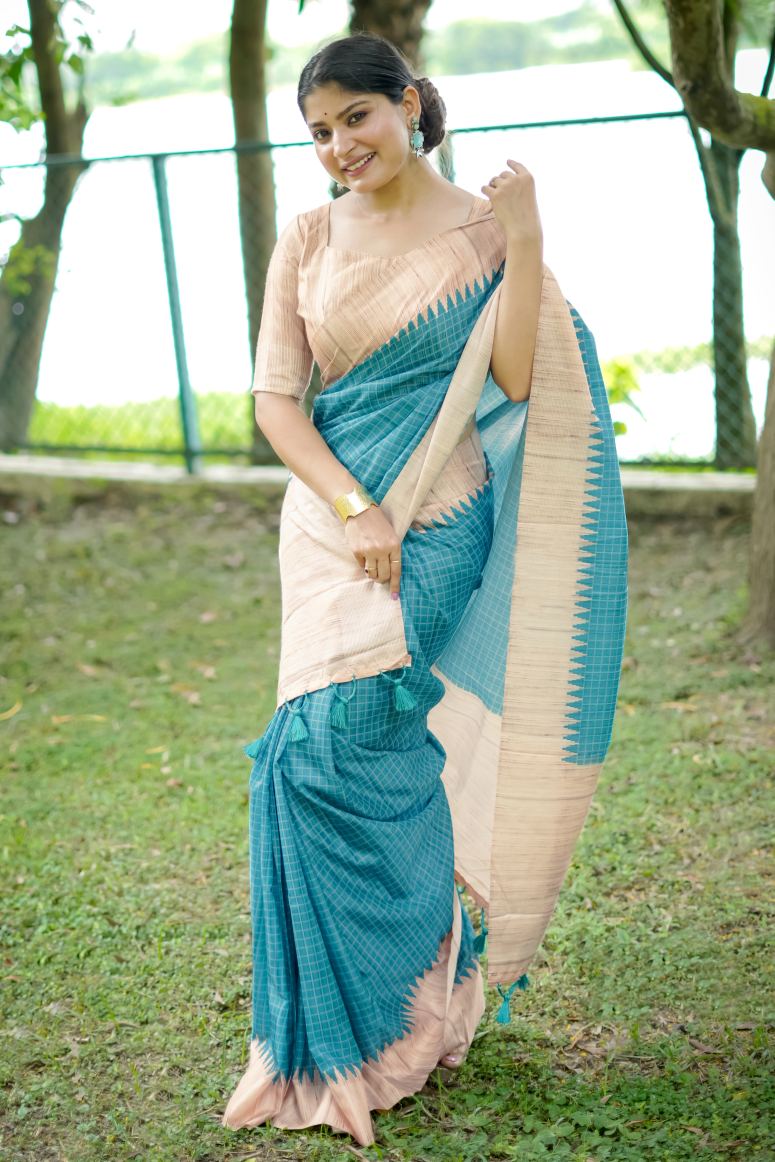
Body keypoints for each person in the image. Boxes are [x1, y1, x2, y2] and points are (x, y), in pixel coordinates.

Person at [222, 32, 628, 1149]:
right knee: (301, 759)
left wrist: (527, 235)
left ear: (407, 103)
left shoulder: (483, 230)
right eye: (318, 132)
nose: (338, 147)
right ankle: (339, 1031)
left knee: (350, 741)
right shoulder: (307, 236)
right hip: (331, 522)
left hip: (440, 521)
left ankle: (408, 1007)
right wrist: (354, 507)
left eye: (354, 117)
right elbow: (275, 401)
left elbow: (513, 376)